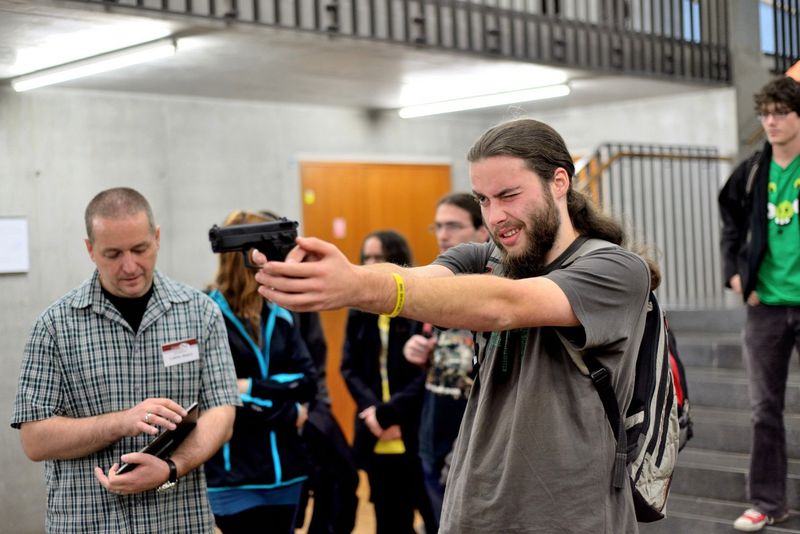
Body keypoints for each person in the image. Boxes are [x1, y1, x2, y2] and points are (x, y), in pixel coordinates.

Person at [253, 118, 652, 533]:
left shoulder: (615, 270)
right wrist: (344, 279)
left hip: (571, 518)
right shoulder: (484, 257)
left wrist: (356, 285)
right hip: (474, 511)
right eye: (484, 200)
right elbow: (415, 280)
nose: (496, 216)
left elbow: (503, 305)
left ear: (559, 182)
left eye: (509, 195)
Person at [10, 187, 240, 533]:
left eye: (140, 249)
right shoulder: (54, 327)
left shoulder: (200, 313)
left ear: (157, 238)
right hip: (90, 524)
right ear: (90, 249)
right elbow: (34, 440)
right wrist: (121, 422)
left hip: (178, 522)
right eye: (113, 254)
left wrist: (171, 468)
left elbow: (222, 412)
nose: (130, 266)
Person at [203, 210, 318, 533]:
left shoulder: (280, 311)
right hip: (233, 476)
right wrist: (288, 411)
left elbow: (307, 382)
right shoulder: (207, 314)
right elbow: (215, 397)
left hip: (286, 472)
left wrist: (249, 387)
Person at [719, 75, 800, 532]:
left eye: (780, 113)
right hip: (765, 304)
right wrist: (735, 270)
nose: (770, 121)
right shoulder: (752, 171)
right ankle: (768, 502)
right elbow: (729, 219)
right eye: (765, 114)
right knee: (763, 409)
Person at [403, 192, 489, 528]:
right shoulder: (438, 284)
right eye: (438, 226)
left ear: (482, 231)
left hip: (474, 444)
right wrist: (419, 353)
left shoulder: (499, 289)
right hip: (431, 434)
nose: (443, 235)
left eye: (453, 225)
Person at [340, 230, 434, 534]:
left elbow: (427, 374)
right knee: (389, 521)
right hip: (374, 432)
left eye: (378, 257)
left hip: (413, 429)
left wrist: (390, 414)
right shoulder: (358, 311)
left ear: (396, 259)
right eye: (366, 257)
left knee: (435, 516)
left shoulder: (420, 305)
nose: (370, 264)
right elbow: (349, 368)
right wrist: (374, 414)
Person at [294, 309, 360, 534]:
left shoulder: (297, 300)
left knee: (344, 478)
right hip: (268, 413)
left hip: (311, 407)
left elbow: (316, 349)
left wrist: (321, 402)